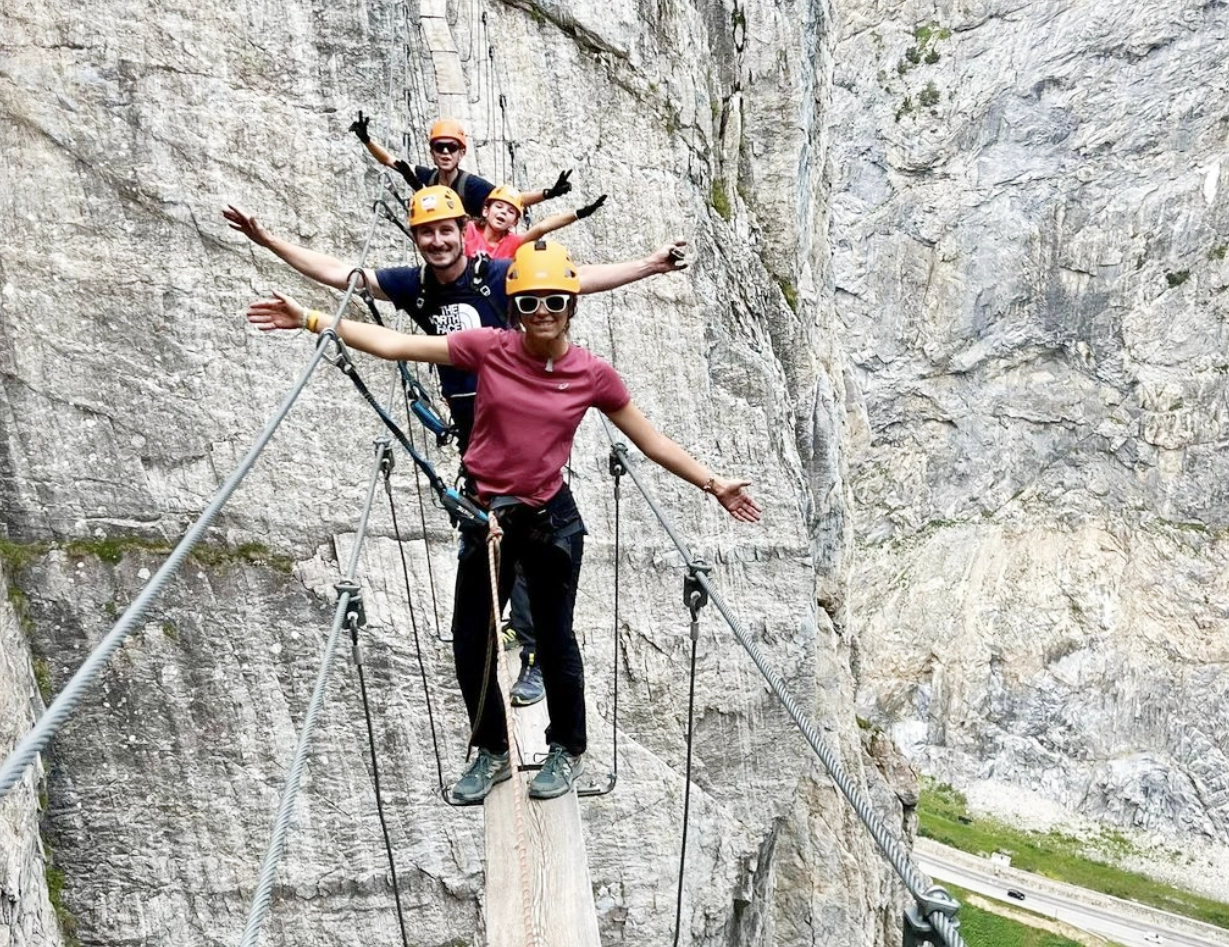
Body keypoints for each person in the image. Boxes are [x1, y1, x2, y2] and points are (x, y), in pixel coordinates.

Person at [245, 239, 762, 802]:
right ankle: (492, 751)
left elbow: (650, 440)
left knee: (556, 638)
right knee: (470, 642)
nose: (543, 312)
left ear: (571, 306)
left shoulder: (593, 375)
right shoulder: (488, 348)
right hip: (486, 516)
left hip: (550, 520)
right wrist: (313, 319)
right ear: (515, 307)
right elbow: (396, 345)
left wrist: (713, 483)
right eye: (532, 302)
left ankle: (566, 748)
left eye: (555, 302)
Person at [223, 187, 688, 707]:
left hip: (527, 421)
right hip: (476, 434)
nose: (438, 240)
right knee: (494, 551)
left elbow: (571, 283)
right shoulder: (415, 286)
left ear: (463, 230)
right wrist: (269, 244)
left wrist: (650, 265)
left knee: (536, 532)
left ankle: (533, 655)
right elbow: (343, 277)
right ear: (416, 237)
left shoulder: (495, 276)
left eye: (447, 229)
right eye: (426, 232)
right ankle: (507, 659)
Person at [349, 112, 572, 219]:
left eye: (452, 148)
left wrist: (548, 193)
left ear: (461, 152)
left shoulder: (472, 186)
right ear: (432, 153)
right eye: (440, 147)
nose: (446, 152)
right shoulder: (428, 176)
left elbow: (511, 199)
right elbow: (390, 161)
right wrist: (367, 140)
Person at [463, 184, 607, 260]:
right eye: (499, 207)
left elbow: (543, 227)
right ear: (485, 211)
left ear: (514, 223)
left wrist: (578, 214)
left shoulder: (514, 242)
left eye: (511, 212)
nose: (503, 212)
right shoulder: (468, 229)